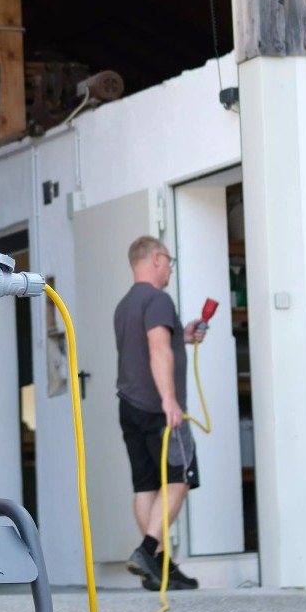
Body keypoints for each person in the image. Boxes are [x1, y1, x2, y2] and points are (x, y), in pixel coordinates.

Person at [113, 236, 207, 591]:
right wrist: (170, 400)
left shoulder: (125, 305)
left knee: (147, 486)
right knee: (179, 480)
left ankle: (161, 567)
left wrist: (182, 336)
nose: (170, 268)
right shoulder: (158, 299)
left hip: (130, 406)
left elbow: (149, 346)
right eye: (169, 260)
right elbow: (156, 350)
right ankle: (147, 551)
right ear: (155, 259)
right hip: (158, 409)